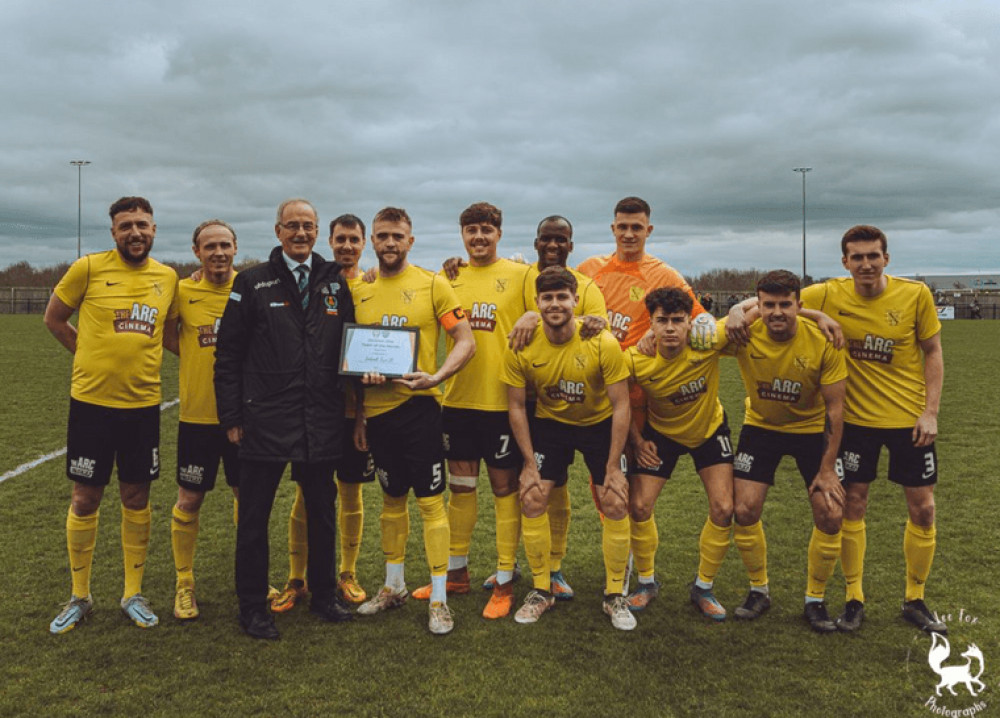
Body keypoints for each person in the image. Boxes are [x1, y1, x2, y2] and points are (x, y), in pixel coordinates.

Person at [214, 199, 356, 640]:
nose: (301, 233)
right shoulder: (252, 282)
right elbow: (228, 355)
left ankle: (323, 595)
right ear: (278, 231)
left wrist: (362, 376)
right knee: (254, 518)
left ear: (318, 233)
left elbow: (351, 345)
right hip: (265, 420)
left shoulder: (334, 281)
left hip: (321, 418)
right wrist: (232, 417)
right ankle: (253, 607)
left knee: (322, 512)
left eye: (308, 226)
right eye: (292, 225)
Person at [796, 225, 945, 633]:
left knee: (924, 509)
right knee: (853, 505)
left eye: (873, 256)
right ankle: (854, 598)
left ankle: (915, 599)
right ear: (844, 262)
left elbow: (932, 352)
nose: (865, 263)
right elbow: (771, 304)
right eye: (856, 257)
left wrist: (930, 412)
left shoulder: (916, 295)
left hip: (910, 422)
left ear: (886, 258)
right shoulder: (827, 293)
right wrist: (817, 313)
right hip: (856, 424)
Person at [45, 196, 179, 633]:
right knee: (85, 497)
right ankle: (79, 596)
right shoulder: (87, 268)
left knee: (136, 498)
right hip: (91, 406)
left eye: (142, 225)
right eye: (126, 226)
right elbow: (55, 319)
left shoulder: (167, 278)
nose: (135, 233)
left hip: (142, 407)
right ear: (114, 233)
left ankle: (132, 593)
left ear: (154, 230)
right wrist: (85, 356)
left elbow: (177, 335)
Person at [578, 196, 712, 598]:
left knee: (629, 484)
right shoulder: (589, 270)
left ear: (648, 230)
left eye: (637, 227)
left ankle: (636, 570)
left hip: (637, 397)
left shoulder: (664, 274)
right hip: (593, 394)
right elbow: (553, 300)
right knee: (601, 483)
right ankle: (623, 554)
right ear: (613, 228)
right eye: (623, 226)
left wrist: (727, 315)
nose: (629, 233)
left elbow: (699, 316)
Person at [353, 207, 475, 635]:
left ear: (411, 240)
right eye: (382, 236)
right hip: (378, 413)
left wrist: (437, 376)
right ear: (373, 241)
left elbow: (466, 340)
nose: (390, 243)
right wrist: (360, 406)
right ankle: (393, 587)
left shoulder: (432, 284)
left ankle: (439, 598)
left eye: (397, 236)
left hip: (420, 410)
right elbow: (351, 352)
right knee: (390, 501)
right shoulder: (359, 289)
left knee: (429, 503)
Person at [407, 202, 530, 619]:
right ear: (462, 234)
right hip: (456, 402)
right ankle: (456, 574)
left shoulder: (521, 274)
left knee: (503, 491)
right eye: (471, 230)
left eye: (486, 230)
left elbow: (553, 306)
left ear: (499, 233)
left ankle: (505, 579)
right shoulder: (446, 277)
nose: (479, 237)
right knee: (460, 490)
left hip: (502, 404)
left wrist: (531, 312)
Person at [501, 267, 634, 630]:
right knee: (531, 497)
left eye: (562, 297)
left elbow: (621, 404)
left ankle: (613, 595)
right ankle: (542, 590)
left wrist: (613, 467)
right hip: (552, 425)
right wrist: (528, 463)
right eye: (548, 298)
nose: (555, 304)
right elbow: (516, 406)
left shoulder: (602, 341)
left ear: (576, 300)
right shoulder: (522, 344)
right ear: (537, 303)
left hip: (598, 425)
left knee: (615, 500)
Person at [726, 270, 848, 632]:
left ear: (799, 305)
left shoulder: (823, 339)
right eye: (768, 305)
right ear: (758, 305)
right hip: (761, 427)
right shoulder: (743, 331)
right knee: (744, 509)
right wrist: (736, 310)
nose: (777, 312)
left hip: (811, 430)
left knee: (830, 512)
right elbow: (693, 333)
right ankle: (758, 590)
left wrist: (827, 469)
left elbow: (836, 411)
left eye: (785, 304)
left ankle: (815, 599)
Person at [271, 214, 375, 612]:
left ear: (363, 243)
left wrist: (363, 414)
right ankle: (297, 577)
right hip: (314, 409)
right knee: (306, 493)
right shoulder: (314, 281)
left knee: (351, 490)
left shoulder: (372, 285)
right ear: (327, 241)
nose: (347, 246)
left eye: (354, 239)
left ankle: (346, 573)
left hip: (355, 409)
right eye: (340, 239)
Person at [624, 288, 735, 619]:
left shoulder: (708, 341)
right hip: (662, 435)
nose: (670, 328)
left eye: (677, 320)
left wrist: (741, 310)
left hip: (709, 431)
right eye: (662, 321)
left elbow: (760, 308)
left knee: (724, 508)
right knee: (639, 506)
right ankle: (646, 583)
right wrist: (637, 440)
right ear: (651, 324)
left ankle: (703, 587)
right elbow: (618, 401)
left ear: (690, 322)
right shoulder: (636, 360)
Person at [162, 219, 240, 621]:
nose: (218, 253)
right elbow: (166, 332)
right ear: (197, 252)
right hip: (197, 417)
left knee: (248, 497)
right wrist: (193, 355)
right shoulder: (182, 289)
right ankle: (184, 583)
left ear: (235, 248)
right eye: (209, 247)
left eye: (225, 245)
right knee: (189, 499)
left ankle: (252, 579)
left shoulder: (251, 287)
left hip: (243, 418)